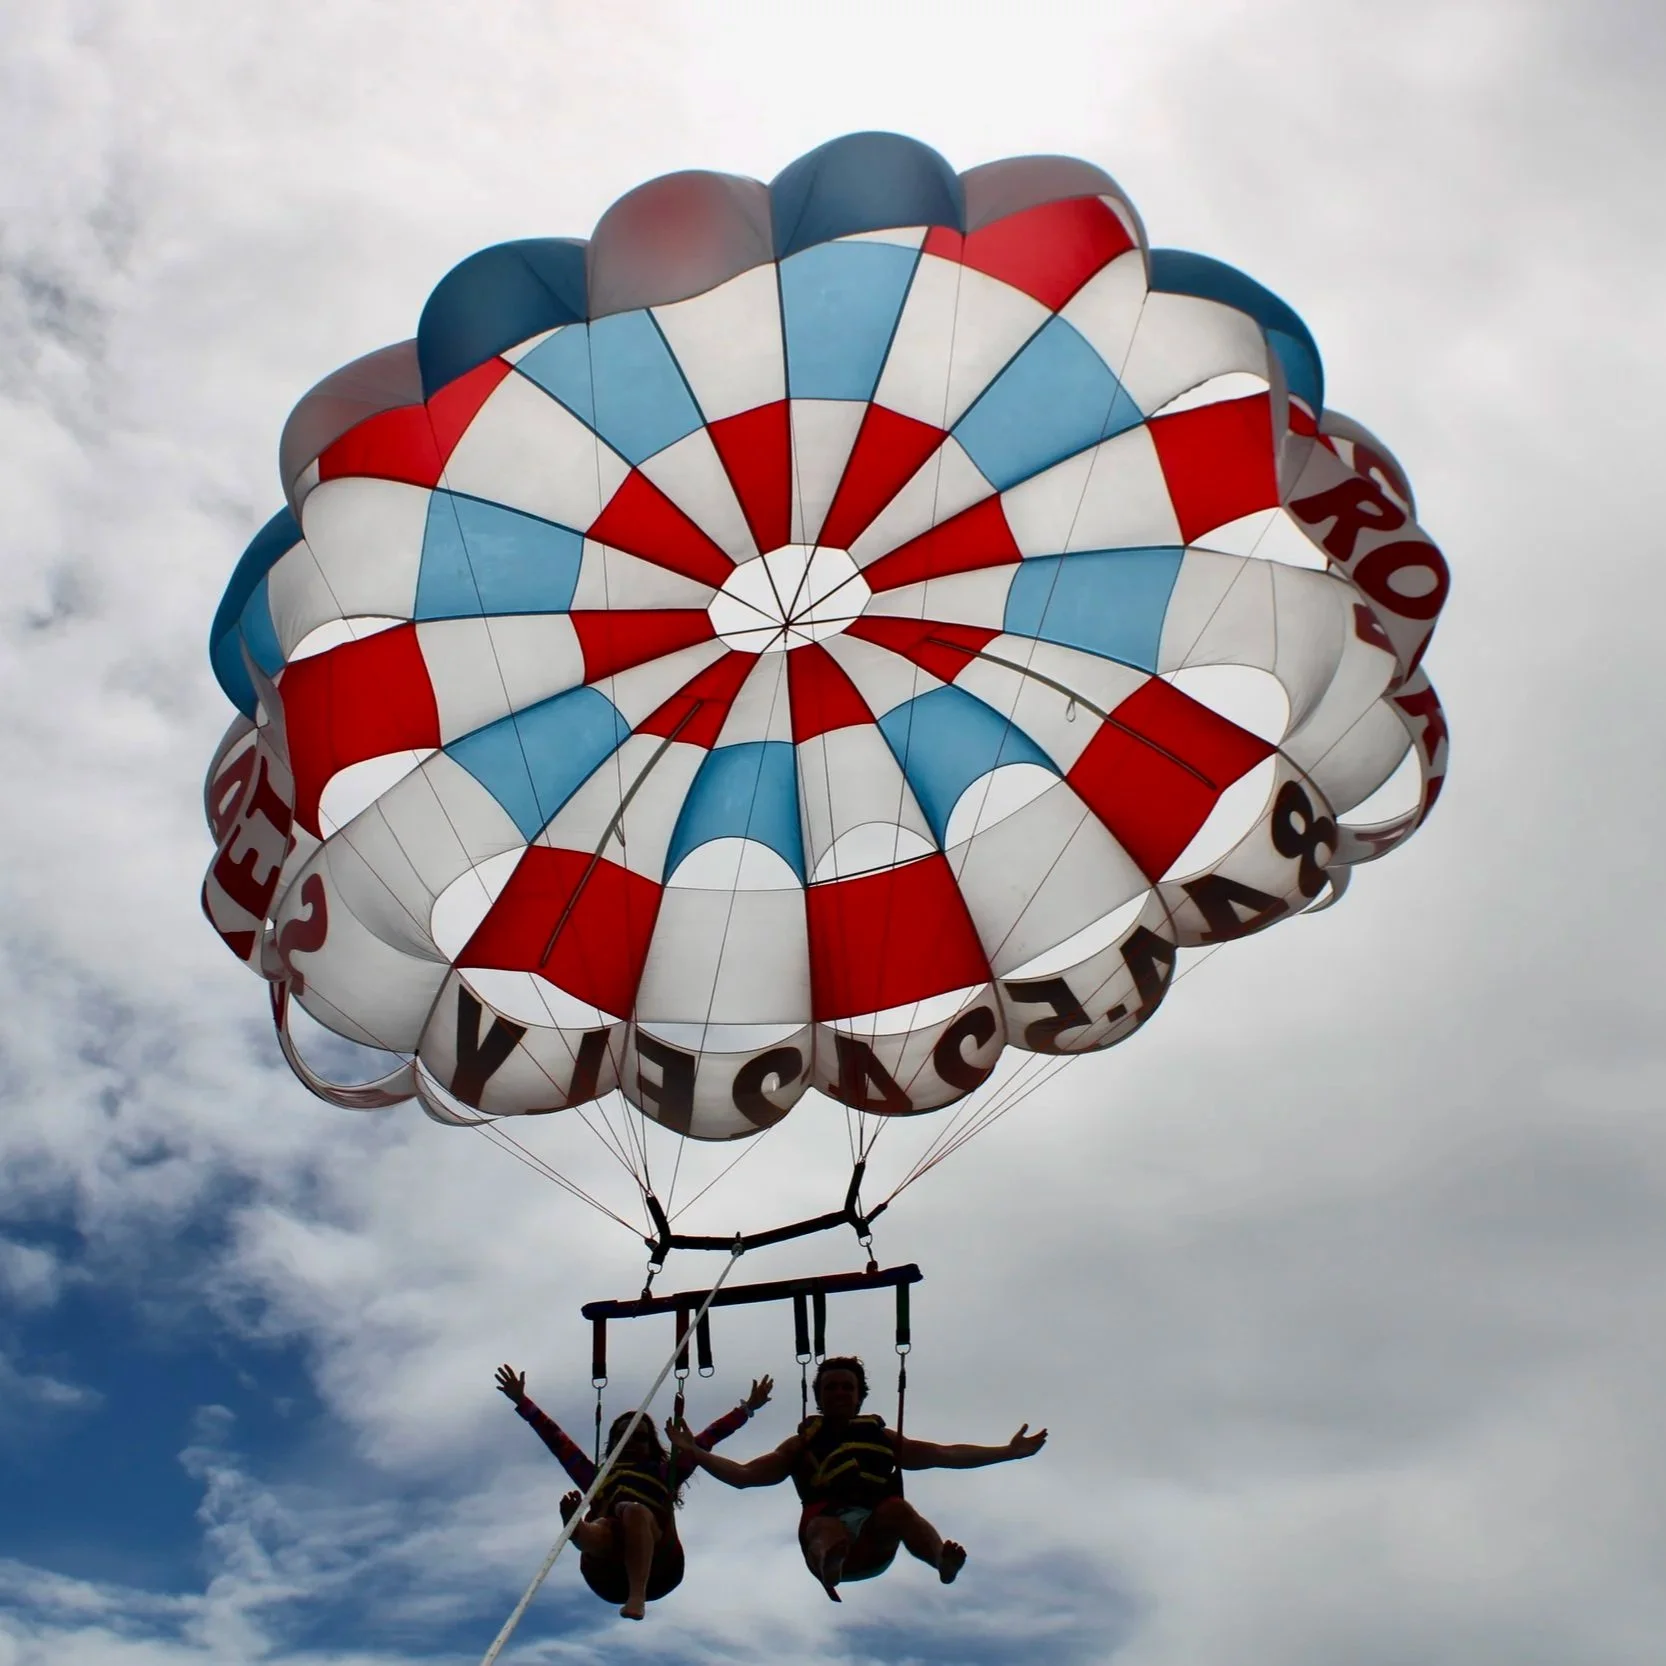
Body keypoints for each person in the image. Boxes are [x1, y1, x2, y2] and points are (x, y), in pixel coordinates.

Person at [667, 1354, 1045, 1601]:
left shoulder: (881, 1438)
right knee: (825, 1525)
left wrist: (1007, 1452)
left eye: (847, 1387)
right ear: (818, 1395)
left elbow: (944, 1454)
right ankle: (830, 1563)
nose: (839, 1393)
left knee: (897, 1508)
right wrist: (694, 1451)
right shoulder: (800, 1445)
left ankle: (940, 1562)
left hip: (875, 1542)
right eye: (831, 1387)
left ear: (860, 1395)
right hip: (829, 1542)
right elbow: (745, 1476)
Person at [495, 1362, 772, 1620]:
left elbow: (710, 1437)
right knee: (611, 1521)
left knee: (634, 1511)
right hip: (605, 1570)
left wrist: (748, 1408)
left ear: (650, 1444)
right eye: (621, 1437)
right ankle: (580, 1532)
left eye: (637, 1437)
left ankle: (634, 1595)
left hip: (660, 1568)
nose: (629, 1443)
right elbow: (557, 1440)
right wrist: (522, 1400)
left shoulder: (668, 1471)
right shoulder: (597, 1478)